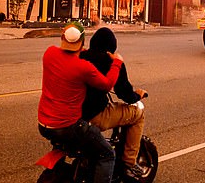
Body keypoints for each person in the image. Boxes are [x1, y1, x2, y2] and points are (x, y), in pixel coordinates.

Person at [38, 22, 124, 183]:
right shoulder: (83, 67)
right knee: (107, 154)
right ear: (83, 42)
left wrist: (79, 52)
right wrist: (117, 62)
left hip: (44, 125)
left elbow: (65, 57)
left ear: (62, 38)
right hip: (69, 126)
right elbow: (107, 84)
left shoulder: (49, 53)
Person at [80, 27, 148, 182]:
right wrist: (138, 94)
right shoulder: (112, 61)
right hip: (95, 114)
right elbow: (125, 94)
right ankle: (129, 163)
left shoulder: (80, 56)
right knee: (138, 114)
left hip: (74, 114)